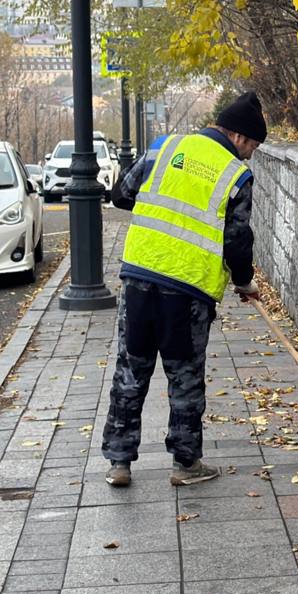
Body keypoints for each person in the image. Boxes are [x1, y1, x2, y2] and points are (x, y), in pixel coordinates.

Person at [101, 91, 266, 487]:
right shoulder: (235, 173)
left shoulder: (164, 146)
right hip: (188, 290)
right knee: (185, 378)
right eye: (253, 147)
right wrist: (244, 282)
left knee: (131, 370)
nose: (250, 156)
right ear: (241, 137)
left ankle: (119, 463)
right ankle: (185, 464)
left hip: (139, 278)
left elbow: (122, 193)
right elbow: (237, 239)